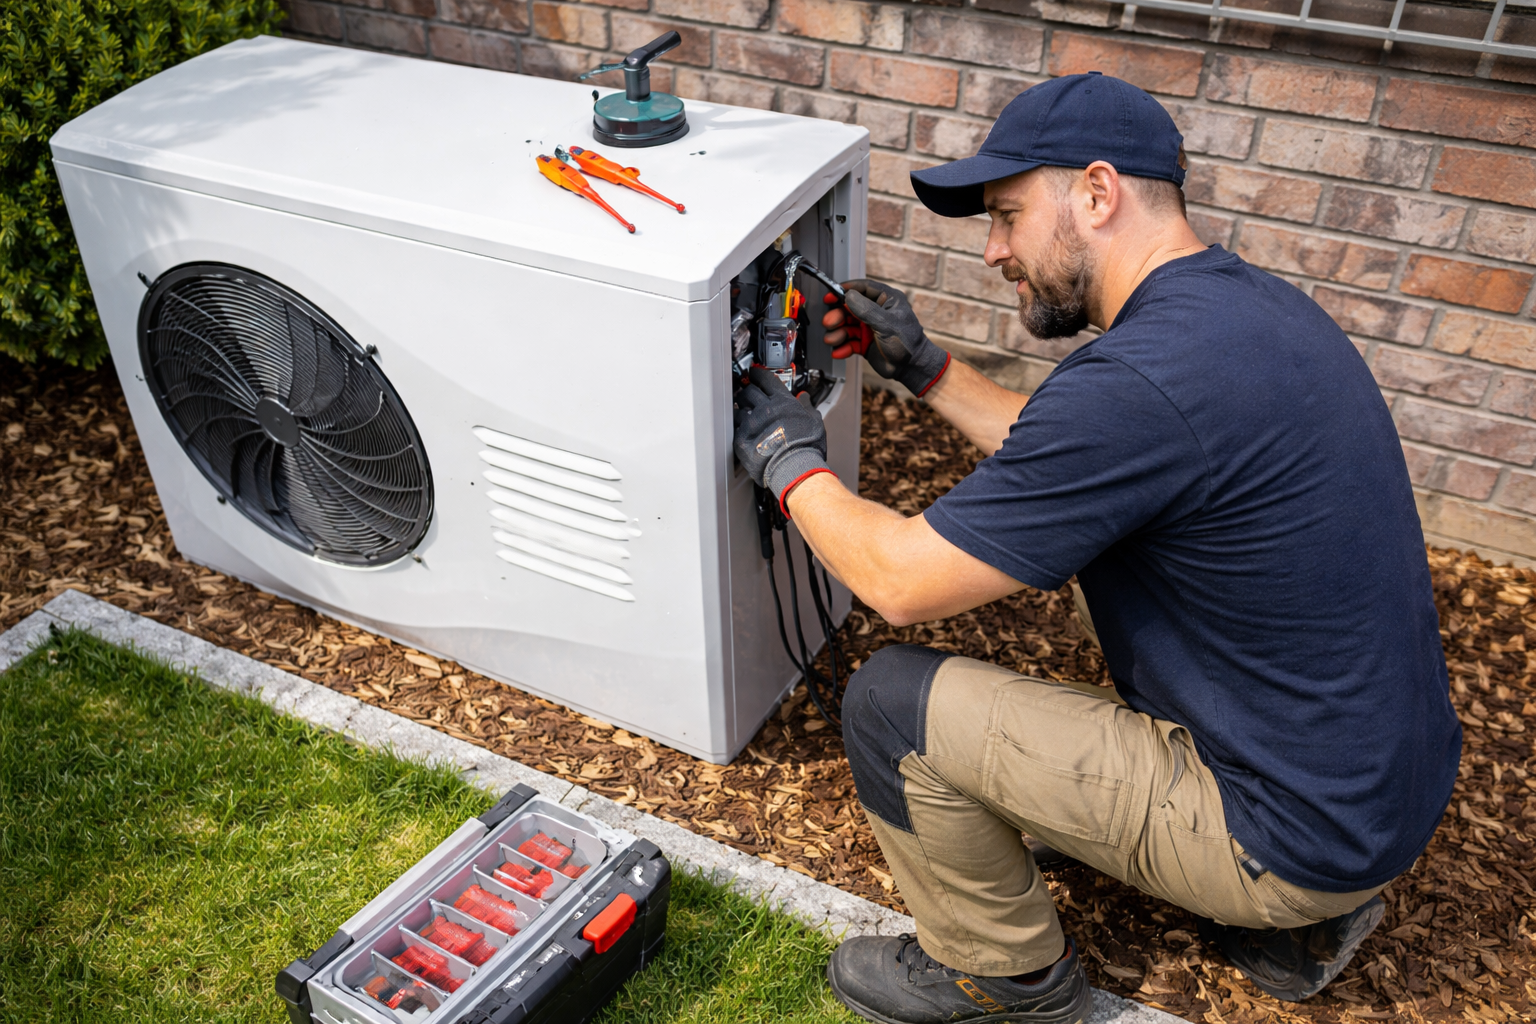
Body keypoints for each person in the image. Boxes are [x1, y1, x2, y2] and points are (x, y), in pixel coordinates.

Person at [731, 73, 1461, 1024]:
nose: (994, 251)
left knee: (889, 706)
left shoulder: (1139, 381)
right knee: (1106, 557)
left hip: (1289, 831)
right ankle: (1297, 926)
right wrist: (924, 368)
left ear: (1099, 193)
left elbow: (899, 581)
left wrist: (787, 458)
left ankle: (1003, 979)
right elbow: (1079, 450)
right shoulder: (1246, 313)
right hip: (1376, 791)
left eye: (1007, 215)